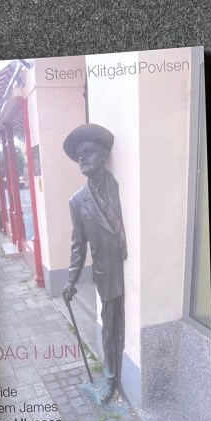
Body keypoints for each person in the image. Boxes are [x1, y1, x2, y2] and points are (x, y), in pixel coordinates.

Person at [61, 123, 128, 404]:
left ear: (103, 155)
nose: (81, 158)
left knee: (118, 326)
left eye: (87, 151)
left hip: (125, 269)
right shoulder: (78, 201)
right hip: (106, 272)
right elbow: (78, 244)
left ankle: (114, 375)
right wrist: (70, 280)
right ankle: (110, 377)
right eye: (79, 154)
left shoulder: (120, 185)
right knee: (109, 327)